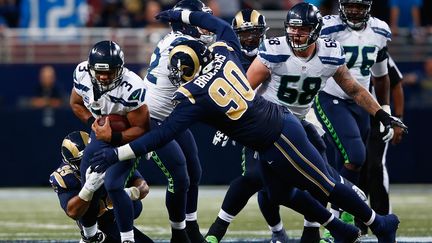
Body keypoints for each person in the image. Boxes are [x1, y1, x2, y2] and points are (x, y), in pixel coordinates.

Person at [90, 8, 406, 243]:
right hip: (270, 131)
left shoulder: (195, 97)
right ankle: (340, 228)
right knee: (280, 193)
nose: (180, 75)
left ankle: (380, 223)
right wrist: (184, 13)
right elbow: (218, 25)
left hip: (279, 134)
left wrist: (116, 153)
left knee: (326, 184)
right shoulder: (225, 54)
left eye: (181, 71)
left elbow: (161, 134)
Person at [207, 9, 290, 243]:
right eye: (244, 34)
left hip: (289, 120)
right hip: (254, 127)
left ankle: (319, 227)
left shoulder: (274, 52)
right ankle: (274, 231)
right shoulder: (226, 56)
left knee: (297, 183)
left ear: (263, 33)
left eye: (254, 33)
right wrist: (225, 122)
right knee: (256, 176)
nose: (250, 39)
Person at [314, 0, 394, 239]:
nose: (355, 11)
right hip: (331, 97)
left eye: (359, 6)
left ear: (368, 7)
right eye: (350, 5)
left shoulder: (379, 30)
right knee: (356, 156)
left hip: (361, 103)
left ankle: (337, 224)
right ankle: (341, 220)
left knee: (348, 163)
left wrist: (385, 108)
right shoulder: (328, 28)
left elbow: (381, 74)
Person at [140, 0, 213, 242]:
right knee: (179, 176)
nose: (204, 25)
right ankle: (178, 233)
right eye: (199, 20)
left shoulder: (180, 40)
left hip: (170, 117)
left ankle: (190, 226)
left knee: (194, 169)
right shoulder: (183, 45)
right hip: (151, 119)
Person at [69, 40, 150, 243]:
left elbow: (142, 128)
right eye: (99, 72)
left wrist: (112, 136)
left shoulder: (132, 86)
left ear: (120, 69)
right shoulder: (82, 73)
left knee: (114, 184)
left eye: (110, 72)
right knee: (90, 187)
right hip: (101, 136)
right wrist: (94, 122)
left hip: (125, 139)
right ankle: (89, 237)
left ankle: (127, 239)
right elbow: (76, 103)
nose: (104, 76)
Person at [49, 131, 154, 243]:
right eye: (81, 161)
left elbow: (143, 187)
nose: (87, 162)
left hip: (121, 212)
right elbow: (73, 212)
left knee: (136, 207)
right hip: (98, 223)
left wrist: (126, 194)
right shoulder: (64, 176)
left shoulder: (108, 156)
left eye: (91, 156)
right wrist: (87, 189)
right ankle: (89, 236)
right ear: (70, 163)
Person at [358, 53, 405, 235]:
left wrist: (398, 117)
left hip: (377, 119)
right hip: (352, 114)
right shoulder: (338, 47)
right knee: (354, 166)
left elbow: (396, 82)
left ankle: (384, 219)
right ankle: (358, 221)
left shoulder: (374, 49)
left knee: (375, 167)